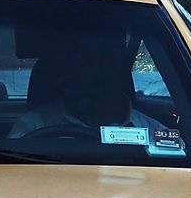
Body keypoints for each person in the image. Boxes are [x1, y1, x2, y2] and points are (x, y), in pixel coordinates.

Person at [9, 32, 163, 140]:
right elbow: (10, 172)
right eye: (84, 64)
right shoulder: (33, 125)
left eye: (104, 65)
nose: (95, 75)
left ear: (118, 72)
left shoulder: (154, 132)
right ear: (66, 75)